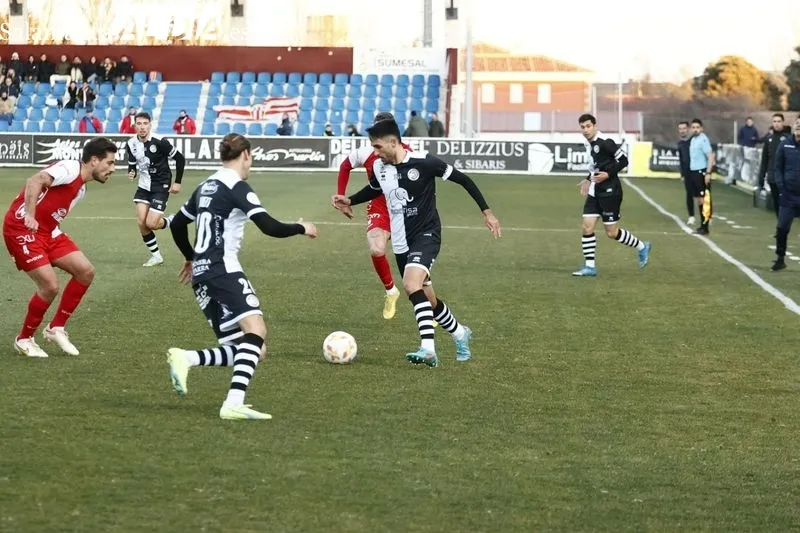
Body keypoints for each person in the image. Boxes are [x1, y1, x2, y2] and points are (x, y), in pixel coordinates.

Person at [166, 133, 318, 420]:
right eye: (251, 157)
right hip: (223, 270)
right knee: (256, 331)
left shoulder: (205, 185)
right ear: (246, 154)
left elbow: (177, 225)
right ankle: (233, 403)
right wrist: (301, 228)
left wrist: (190, 257)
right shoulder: (236, 186)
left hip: (202, 275)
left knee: (253, 350)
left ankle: (187, 358)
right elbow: (269, 226)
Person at [331, 119, 501, 368]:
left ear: (393, 142)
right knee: (428, 299)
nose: (374, 153)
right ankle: (460, 333)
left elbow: (464, 180)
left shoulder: (425, 162)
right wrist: (350, 200)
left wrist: (487, 212)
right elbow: (375, 189)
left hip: (427, 234)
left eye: (378, 147)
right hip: (401, 242)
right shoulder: (379, 166)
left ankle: (428, 349)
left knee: (411, 285)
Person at [2, 137, 118, 357]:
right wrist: (30, 215)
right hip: (21, 229)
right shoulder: (70, 168)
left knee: (85, 272)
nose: (113, 168)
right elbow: (34, 180)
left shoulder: (81, 189)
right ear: (94, 160)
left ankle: (56, 328)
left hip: (47, 232)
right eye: (110, 162)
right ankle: (24, 339)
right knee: (50, 285)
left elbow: (53, 212)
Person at [336, 111, 405, 319]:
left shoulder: (405, 152)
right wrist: (341, 195)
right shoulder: (365, 152)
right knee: (376, 249)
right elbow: (345, 166)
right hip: (379, 206)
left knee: (415, 265)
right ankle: (391, 291)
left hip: (405, 206)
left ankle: (430, 308)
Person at [572, 114, 651, 277]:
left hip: (610, 191)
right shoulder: (588, 144)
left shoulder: (606, 142)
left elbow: (624, 161)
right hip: (595, 190)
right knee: (587, 227)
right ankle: (590, 267)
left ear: (595, 126)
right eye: (582, 127)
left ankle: (642, 246)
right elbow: (596, 166)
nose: (585, 130)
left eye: (588, 126)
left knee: (612, 233)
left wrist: (608, 174)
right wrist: (588, 179)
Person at [126, 111, 186, 267]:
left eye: (145, 124)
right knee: (142, 222)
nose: (142, 127)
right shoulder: (131, 143)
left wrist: (177, 182)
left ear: (150, 125)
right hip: (143, 186)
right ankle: (156, 256)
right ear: (134, 126)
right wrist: (131, 172)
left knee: (152, 223)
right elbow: (132, 164)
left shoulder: (160, 141)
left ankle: (171, 221)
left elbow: (180, 159)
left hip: (161, 185)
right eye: (139, 124)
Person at [770, 117, 800, 272]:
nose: (799, 126)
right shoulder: (785, 144)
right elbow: (778, 168)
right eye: (797, 123)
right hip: (788, 195)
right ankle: (780, 258)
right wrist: (782, 188)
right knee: (782, 228)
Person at [758, 113, 792, 219]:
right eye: (774, 121)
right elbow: (764, 160)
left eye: (779, 121)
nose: (776, 124)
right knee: (776, 203)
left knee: (786, 203)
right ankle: (780, 224)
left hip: (786, 178)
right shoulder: (769, 139)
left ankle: (784, 223)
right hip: (772, 177)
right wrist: (761, 177)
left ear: (783, 123)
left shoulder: (789, 139)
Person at [687, 118, 715, 235]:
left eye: (697, 127)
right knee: (699, 199)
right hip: (694, 171)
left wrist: (708, 173)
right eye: (693, 127)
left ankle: (705, 226)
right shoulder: (693, 139)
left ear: (701, 128)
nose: (695, 129)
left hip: (701, 171)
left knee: (704, 199)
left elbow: (710, 157)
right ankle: (702, 225)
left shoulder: (703, 140)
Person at [677, 121, 694, 225]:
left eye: (684, 128)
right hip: (687, 173)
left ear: (688, 129)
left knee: (702, 194)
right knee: (689, 194)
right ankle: (691, 216)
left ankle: (707, 216)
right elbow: (681, 160)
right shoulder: (680, 143)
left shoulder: (694, 140)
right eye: (680, 129)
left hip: (697, 170)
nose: (682, 131)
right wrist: (682, 174)